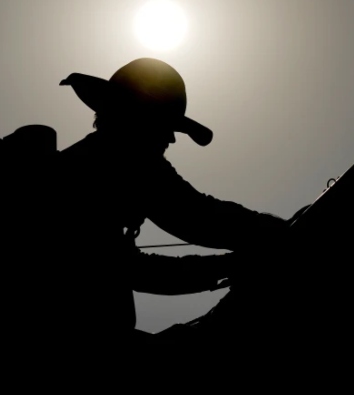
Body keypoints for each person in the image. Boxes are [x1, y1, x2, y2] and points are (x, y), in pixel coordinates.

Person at [52, 58, 291, 354]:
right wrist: (278, 234)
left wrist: (230, 265)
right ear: (137, 119)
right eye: (165, 125)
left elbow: (133, 268)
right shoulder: (129, 160)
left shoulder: (91, 161)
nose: (171, 139)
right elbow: (196, 217)